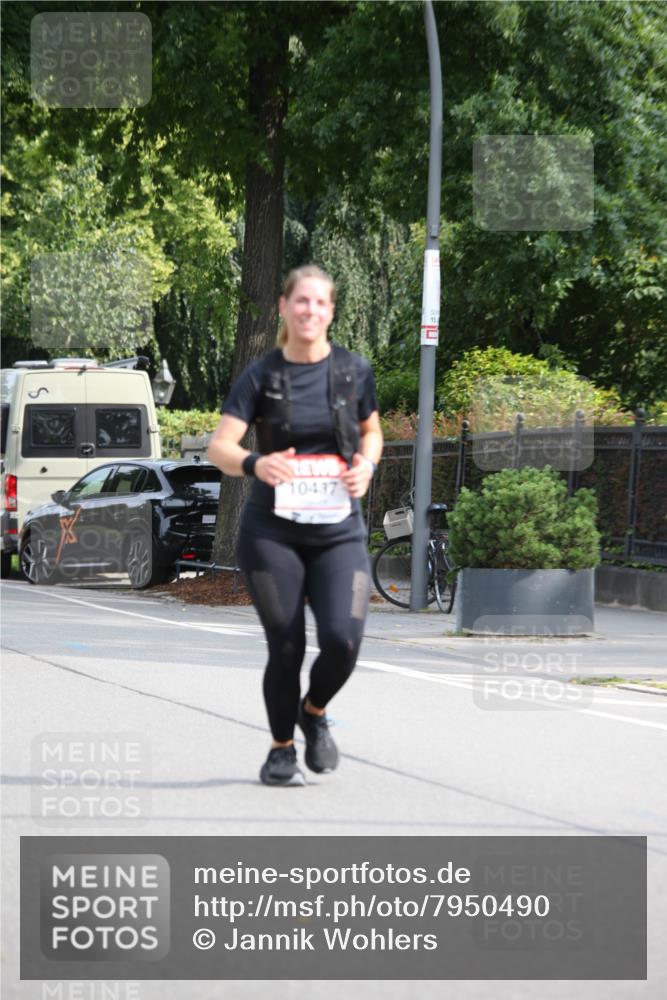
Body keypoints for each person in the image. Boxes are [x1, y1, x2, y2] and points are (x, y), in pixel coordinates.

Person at [208, 265, 383, 786]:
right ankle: (281, 747)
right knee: (285, 642)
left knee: (343, 640)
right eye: (300, 302)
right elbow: (220, 446)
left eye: (320, 303)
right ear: (283, 307)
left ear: (331, 311)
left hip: (338, 532)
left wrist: (368, 466)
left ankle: (314, 710)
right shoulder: (262, 375)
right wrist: (254, 464)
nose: (310, 311)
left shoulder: (353, 371)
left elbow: (372, 432)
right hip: (273, 533)